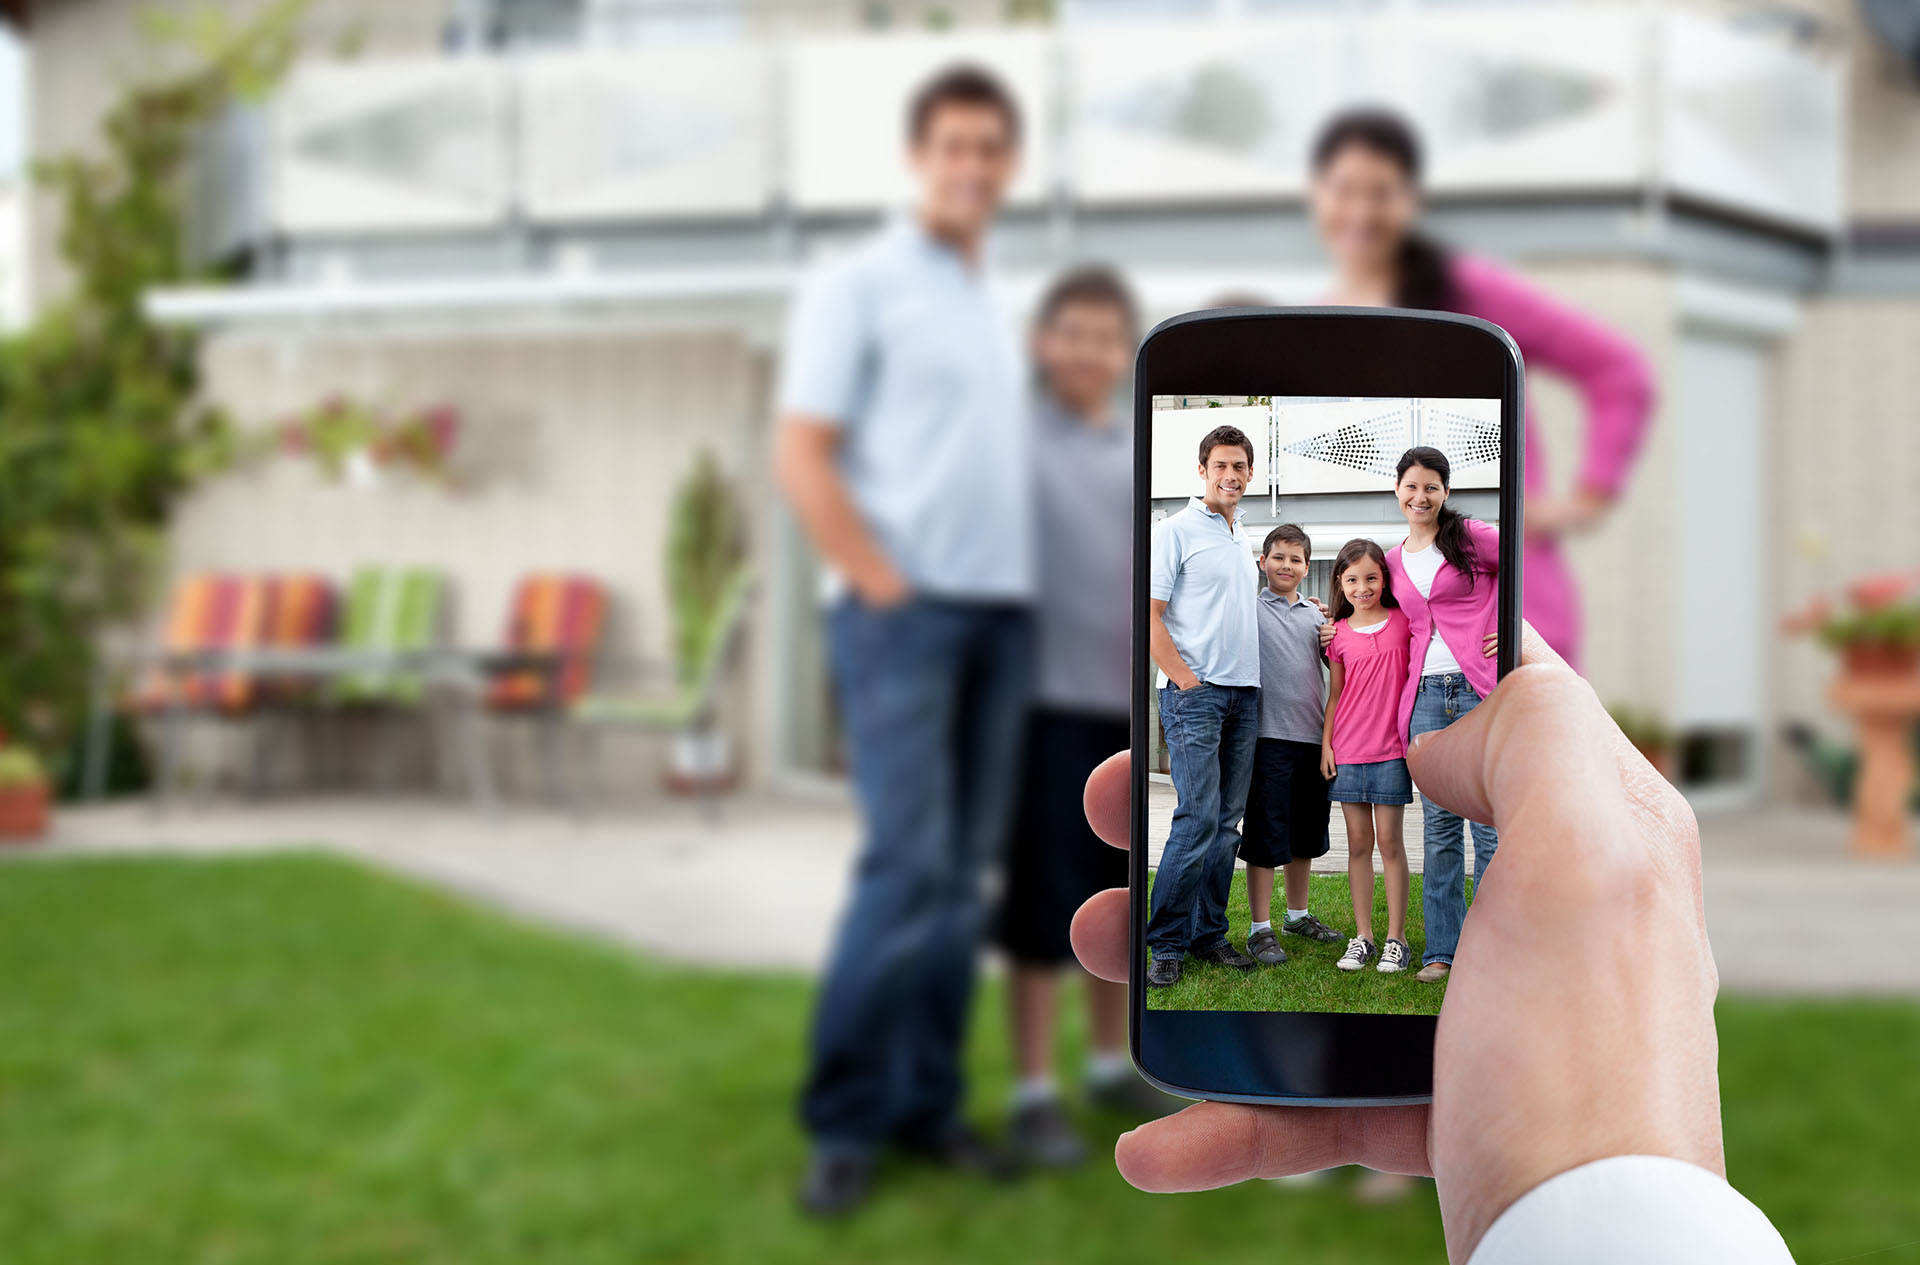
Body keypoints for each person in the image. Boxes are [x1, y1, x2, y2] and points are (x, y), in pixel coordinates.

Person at [1068, 626, 1794, 1264]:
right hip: (1278, 725)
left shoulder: (1389, 625)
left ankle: (1379, 941)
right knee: (1230, 829)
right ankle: (1225, 935)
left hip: (1369, 742)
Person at [774, 64, 1033, 1217]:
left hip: (1003, 618)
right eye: (953, 145)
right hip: (907, 618)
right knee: (907, 866)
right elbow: (800, 451)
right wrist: (882, 586)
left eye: (990, 147)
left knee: (963, 881)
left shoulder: (992, 301)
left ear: (1009, 165)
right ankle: (843, 1120)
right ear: (918, 157)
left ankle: (928, 1103)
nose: (971, 165)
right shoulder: (859, 283)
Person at [1308, 106, 1655, 670]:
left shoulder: (1470, 293)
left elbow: (1618, 369)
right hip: (1421, 645)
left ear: (1411, 200)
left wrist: (1591, 494)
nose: (1362, 212)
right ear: (1316, 195)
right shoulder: (1319, 321)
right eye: (1345, 190)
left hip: (1519, 613)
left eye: (1382, 192)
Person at [994, 265, 1175, 1169]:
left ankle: (1109, 1065)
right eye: (1073, 332)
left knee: (1117, 892)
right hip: (1039, 711)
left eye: (1106, 336)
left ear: (1123, 352)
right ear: (1044, 341)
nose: (1088, 350)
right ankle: (1032, 1090)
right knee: (1038, 906)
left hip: (1124, 716)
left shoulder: (1137, 451)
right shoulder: (1011, 442)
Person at [1144, 425, 1263, 989]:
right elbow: (1148, 614)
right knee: (1197, 819)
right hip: (1195, 695)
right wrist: (1186, 682)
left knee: (1227, 826)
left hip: (1245, 693)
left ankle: (1208, 934)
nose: (1230, 475)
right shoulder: (1174, 531)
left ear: (1250, 473)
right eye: (1220, 465)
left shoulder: (1243, 537)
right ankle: (1166, 943)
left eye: (1239, 466)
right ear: (1202, 470)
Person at [1386, 447, 1501, 984]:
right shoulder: (1391, 560)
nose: (1420, 496)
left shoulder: (1471, 536)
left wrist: (1514, 625)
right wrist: (1328, 623)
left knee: (1488, 824)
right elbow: (1376, 612)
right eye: (1411, 486)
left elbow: (1533, 565)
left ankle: (1494, 950)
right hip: (1426, 696)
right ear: (1397, 490)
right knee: (1439, 827)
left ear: (1446, 492)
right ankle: (1443, 950)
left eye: (1431, 487)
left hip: (1479, 689)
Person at [1238, 524, 1343, 968]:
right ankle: (1258, 928)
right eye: (1278, 557)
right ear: (1262, 562)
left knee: (1304, 834)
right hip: (1267, 740)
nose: (1287, 565)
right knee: (1266, 835)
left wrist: (1333, 633)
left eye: (1296, 559)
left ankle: (1297, 916)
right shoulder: (1247, 609)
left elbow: (1339, 667)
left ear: (1306, 566)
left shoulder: (1317, 618)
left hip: (1312, 740)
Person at [1319, 538, 1415, 975]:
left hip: (1391, 750)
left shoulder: (1404, 622)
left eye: (1371, 578)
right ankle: (1364, 938)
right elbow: (1335, 695)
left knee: (1390, 842)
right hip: (1348, 749)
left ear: (1385, 580)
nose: (1363, 588)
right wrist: (1327, 745)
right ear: (1341, 582)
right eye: (1353, 580)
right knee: (1359, 843)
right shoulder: (1336, 634)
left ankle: (1397, 939)